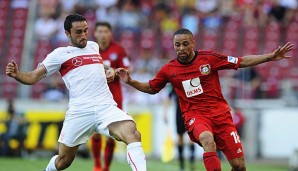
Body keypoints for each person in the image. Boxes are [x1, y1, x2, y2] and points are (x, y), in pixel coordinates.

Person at [116, 28, 293, 171]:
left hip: (221, 115)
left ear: (193, 43)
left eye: (185, 44)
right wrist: (131, 81)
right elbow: (152, 88)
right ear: (173, 46)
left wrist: (270, 56)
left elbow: (241, 61)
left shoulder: (209, 58)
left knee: (239, 166)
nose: (181, 48)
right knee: (208, 140)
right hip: (195, 116)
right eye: (177, 45)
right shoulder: (169, 69)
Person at [5, 14, 146, 171]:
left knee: (133, 134)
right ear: (67, 33)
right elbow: (32, 77)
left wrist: (110, 70)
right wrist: (17, 75)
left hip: (105, 106)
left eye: (86, 30)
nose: (84, 35)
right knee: (63, 161)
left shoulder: (93, 46)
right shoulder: (59, 55)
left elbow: (99, 66)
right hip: (79, 111)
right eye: (78, 32)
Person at [91, 21, 130, 171]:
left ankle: (106, 167)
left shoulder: (118, 49)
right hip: (95, 95)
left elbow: (127, 70)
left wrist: (114, 70)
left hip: (114, 96)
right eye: (99, 31)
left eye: (105, 31)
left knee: (111, 133)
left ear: (110, 33)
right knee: (95, 132)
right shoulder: (90, 50)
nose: (102, 34)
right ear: (95, 33)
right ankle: (97, 165)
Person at [163, 86, 195, 171]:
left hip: (189, 112)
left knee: (191, 137)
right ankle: (182, 165)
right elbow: (168, 97)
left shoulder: (189, 83)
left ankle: (191, 162)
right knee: (180, 137)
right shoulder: (175, 83)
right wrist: (165, 112)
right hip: (180, 113)